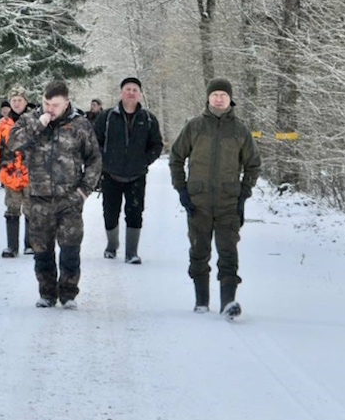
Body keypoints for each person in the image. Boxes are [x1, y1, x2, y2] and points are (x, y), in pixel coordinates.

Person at [169, 78, 261, 319]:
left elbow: (253, 164)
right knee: (199, 250)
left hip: (228, 202)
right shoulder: (194, 126)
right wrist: (182, 189)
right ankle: (201, 300)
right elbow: (176, 157)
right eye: (215, 94)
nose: (219, 98)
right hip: (198, 202)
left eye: (223, 94)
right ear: (208, 98)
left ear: (230, 99)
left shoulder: (240, 130)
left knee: (228, 251)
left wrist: (243, 193)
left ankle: (228, 302)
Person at [9, 80, 101, 309]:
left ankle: (68, 294)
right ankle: (47, 293)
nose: (50, 109)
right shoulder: (30, 120)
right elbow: (11, 143)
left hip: (69, 199)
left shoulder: (79, 125)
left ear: (66, 103)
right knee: (42, 250)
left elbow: (95, 160)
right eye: (46, 103)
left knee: (70, 249)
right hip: (39, 198)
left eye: (55, 105)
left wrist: (83, 191)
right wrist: (37, 125)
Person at [93, 77, 163, 264]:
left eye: (134, 90)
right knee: (110, 212)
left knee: (135, 212)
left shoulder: (148, 119)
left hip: (136, 176)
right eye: (127, 89)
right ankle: (112, 245)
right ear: (121, 92)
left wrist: (144, 161)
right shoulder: (107, 117)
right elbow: (94, 141)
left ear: (139, 94)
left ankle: (132, 252)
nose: (131, 92)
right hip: (111, 174)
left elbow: (157, 144)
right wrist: (104, 160)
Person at [0, 86, 33, 257]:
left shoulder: (35, 120)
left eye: (20, 100)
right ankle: (12, 247)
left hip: (31, 173)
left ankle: (30, 244)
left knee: (31, 209)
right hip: (10, 172)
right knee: (12, 208)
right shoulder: (3, 123)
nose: (17, 103)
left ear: (26, 102)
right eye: (14, 100)